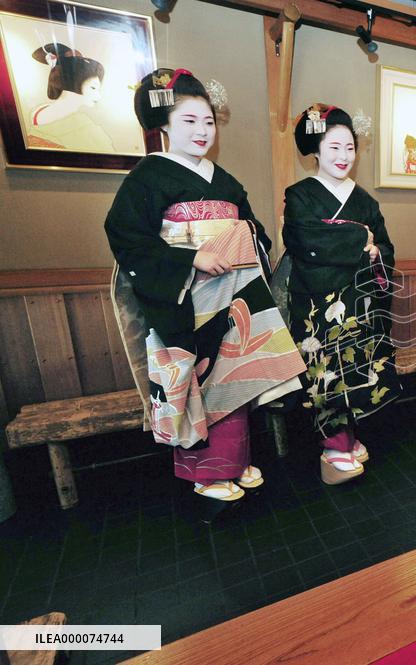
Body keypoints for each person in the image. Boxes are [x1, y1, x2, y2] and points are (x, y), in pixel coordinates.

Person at [105, 68, 305, 502]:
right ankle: (207, 473)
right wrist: (191, 255)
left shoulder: (225, 180)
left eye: (208, 122)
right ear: (164, 125)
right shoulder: (147, 177)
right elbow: (127, 237)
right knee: (196, 377)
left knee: (232, 378)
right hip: (183, 296)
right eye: (189, 121)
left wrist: (241, 239)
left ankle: (233, 463)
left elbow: (255, 232)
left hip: (229, 292)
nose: (202, 131)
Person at [283, 104, 400, 485]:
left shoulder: (365, 200)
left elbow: (385, 246)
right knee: (326, 372)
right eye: (333, 147)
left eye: (349, 147)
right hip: (319, 304)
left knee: (358, 367)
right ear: (316, 150)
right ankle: (334, 444)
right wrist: (358, 239)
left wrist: (374, 249)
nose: (343, 156)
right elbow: (302, 239)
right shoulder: (299, 195)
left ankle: (348, 438)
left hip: (360, 303)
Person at [27, 43, 113, 152]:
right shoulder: (84, 126)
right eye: (93, 88)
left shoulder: (38, 113)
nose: (98, 96)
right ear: (73, 83)